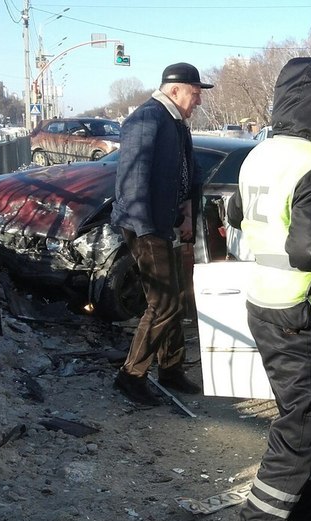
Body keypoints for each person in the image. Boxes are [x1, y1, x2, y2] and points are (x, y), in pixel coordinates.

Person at [225, 57, 311, 521]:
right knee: (300, 432)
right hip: (298, 311)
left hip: (267, 303)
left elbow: (238, 216)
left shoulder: (260, 153)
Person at [109, 62, 210, 406]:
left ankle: (171, 368)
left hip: (164, 221)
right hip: (145, 224)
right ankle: (130, 376)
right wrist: (148, 231)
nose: (198, 101)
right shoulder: (146, 120)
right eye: (195, 94)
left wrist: (188, 211)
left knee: (175, 298)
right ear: (175, 89)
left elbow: (189, 170)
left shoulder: (175, 122)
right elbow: (133, 181)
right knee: (163, 302)